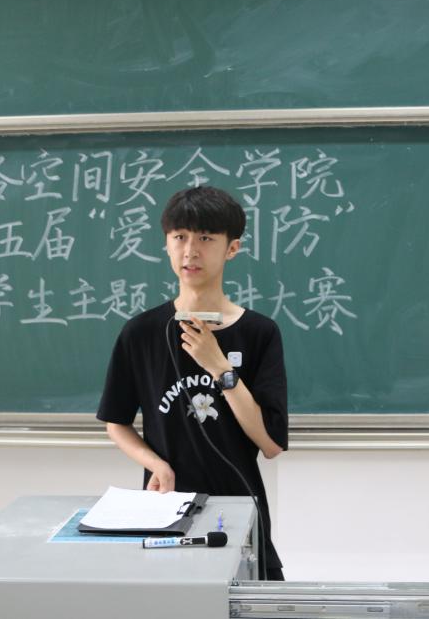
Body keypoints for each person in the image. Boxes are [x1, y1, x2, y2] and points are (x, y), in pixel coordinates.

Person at [97, 186, 288, 580]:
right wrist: (155, 464)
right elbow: (116, 422)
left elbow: (270, 444)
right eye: (180, 237)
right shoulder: (140, 333)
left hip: (240, 511)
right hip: (165, 512)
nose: (190, 251)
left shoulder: (259, 333)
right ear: (166, 244)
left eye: (205, 238)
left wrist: (220, 367)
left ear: (232, 248)